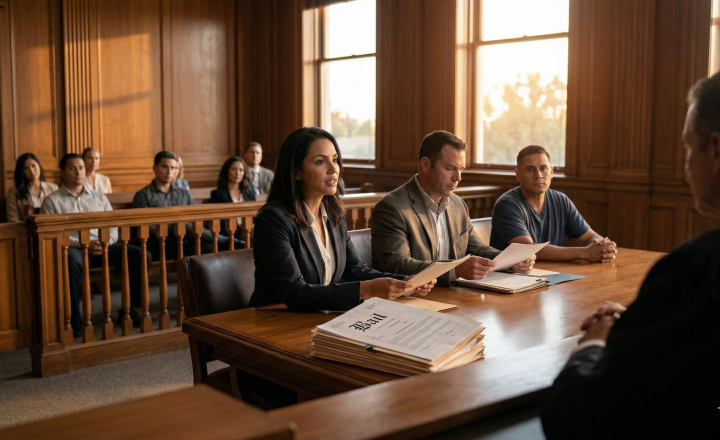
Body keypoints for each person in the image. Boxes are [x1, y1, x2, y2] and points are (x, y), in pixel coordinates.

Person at [540, 74, 720, 438]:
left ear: (715, 149)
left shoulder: (698, 268)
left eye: (688, 147)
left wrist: (595, 343)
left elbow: (574, 414)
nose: (685, 164)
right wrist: (645, 324)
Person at [248, 127, 436, 312]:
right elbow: (295, 294)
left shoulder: (333, 214)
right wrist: (367, 289)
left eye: (335, 160)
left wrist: (404, 282)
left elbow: (356, 270)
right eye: (321, 161)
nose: (333, 169)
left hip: (317, 317)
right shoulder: (273, 219)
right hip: (273, 322)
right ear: (296, 171)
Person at [371, 130, 535, 287]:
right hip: (409, 300)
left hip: (454, 294)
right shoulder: (392, 207)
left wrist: (511, 261)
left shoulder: (457, 204)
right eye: (450, 168)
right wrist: (454, 270)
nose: (458, 178)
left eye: (461, 169)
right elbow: (396, 265)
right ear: (426, 164)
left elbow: (476, 248)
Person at [41, 154, 150, 337]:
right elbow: (54, 235)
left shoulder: (99, 197)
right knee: (71, 263)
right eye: (72, 168)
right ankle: (73, 321)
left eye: (81, 167)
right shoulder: (52, 201)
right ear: (62, 172)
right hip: (74, 248)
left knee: (140, 255)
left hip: (104, 246)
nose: (78, 172)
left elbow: (113, 225)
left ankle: (130, 310)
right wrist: (83, 244)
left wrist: (106, 242)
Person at [490, 145, 617, 262]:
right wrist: (586, 253)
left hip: (553, 275)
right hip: (511, 278)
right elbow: (529, 249)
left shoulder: (561, 200)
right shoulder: (507, 205)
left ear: (551, 172)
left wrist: (603, 246)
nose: (538, 175)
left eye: (543, 168)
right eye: (530, 169)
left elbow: (589, 235)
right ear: (518, 174)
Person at [132, 151, 215, 259]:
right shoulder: (143, 195)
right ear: (155, 168)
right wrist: (175, 227)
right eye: (164, 167)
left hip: (183, 241)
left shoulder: (184, 193)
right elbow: (144, 227)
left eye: (173, 168)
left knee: (209, 247)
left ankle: (221, 241)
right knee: (184, 226)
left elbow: (195, 219)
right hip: (157, 244)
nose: (169, 172)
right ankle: (221, 239)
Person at [210, 156, 256, 242]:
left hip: (249, 230)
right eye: (234, 169)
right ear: (227, 171)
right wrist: (240, 230)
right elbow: (219, 222)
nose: (237, 173)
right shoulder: (217, 194)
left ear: (244, 173)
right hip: (230, 234)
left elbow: (255, 215)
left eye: (241, 170)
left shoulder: (249, 193)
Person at [6, 153, 58, 222]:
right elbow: (13, 218)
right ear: (21, 171)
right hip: (25, 230)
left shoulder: (53, 188)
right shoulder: (14, 191)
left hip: (51, 228)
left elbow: (59, 213)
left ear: (39, 165)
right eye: (26, 168)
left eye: (33, 166)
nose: (31, 170)